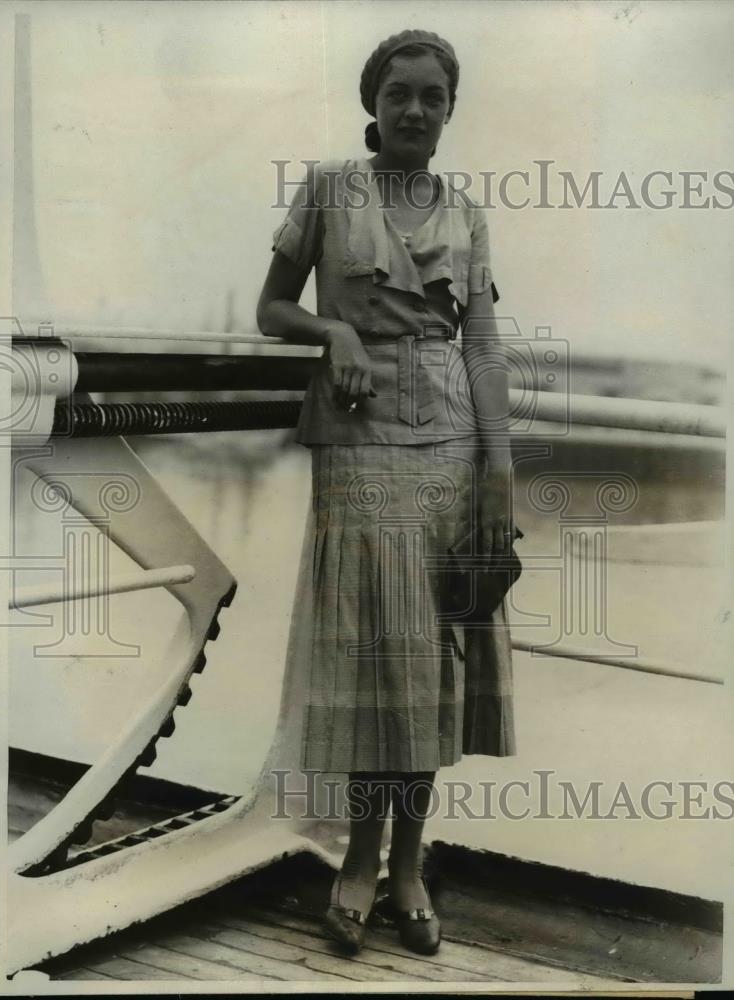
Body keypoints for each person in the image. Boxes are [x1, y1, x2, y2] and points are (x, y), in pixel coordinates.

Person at [257, 28, 516, 957]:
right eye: (398, 93)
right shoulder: (331, 187)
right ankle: (358, 860)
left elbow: (481, 345)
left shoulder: (467, 211)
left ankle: (411, 859)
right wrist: (335, 333)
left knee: (434, 661)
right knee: (376, 661)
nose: (413, 110)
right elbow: (270, 306)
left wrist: (499, 470)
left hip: (449, 442)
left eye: (432, 97)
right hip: (359, 445)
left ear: (450, 111)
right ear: (373, 102)